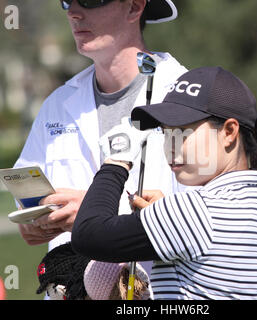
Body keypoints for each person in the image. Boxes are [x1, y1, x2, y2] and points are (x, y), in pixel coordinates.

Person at [72, 66, 257, 300]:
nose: (170, 147)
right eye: (166, 133)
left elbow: (88, 235)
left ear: (229, 131)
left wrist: (115, 163)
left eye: (182, 132)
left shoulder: (196, 212)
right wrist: (167, 215)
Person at [13, 0, 187, 261]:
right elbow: (24, 185)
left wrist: (95, 214)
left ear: (134, 7)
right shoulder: (56, 104)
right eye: (67, 1)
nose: (73, 12)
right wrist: (30, 219)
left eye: (90, 0)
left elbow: (209, 219)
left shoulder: (186, 97)